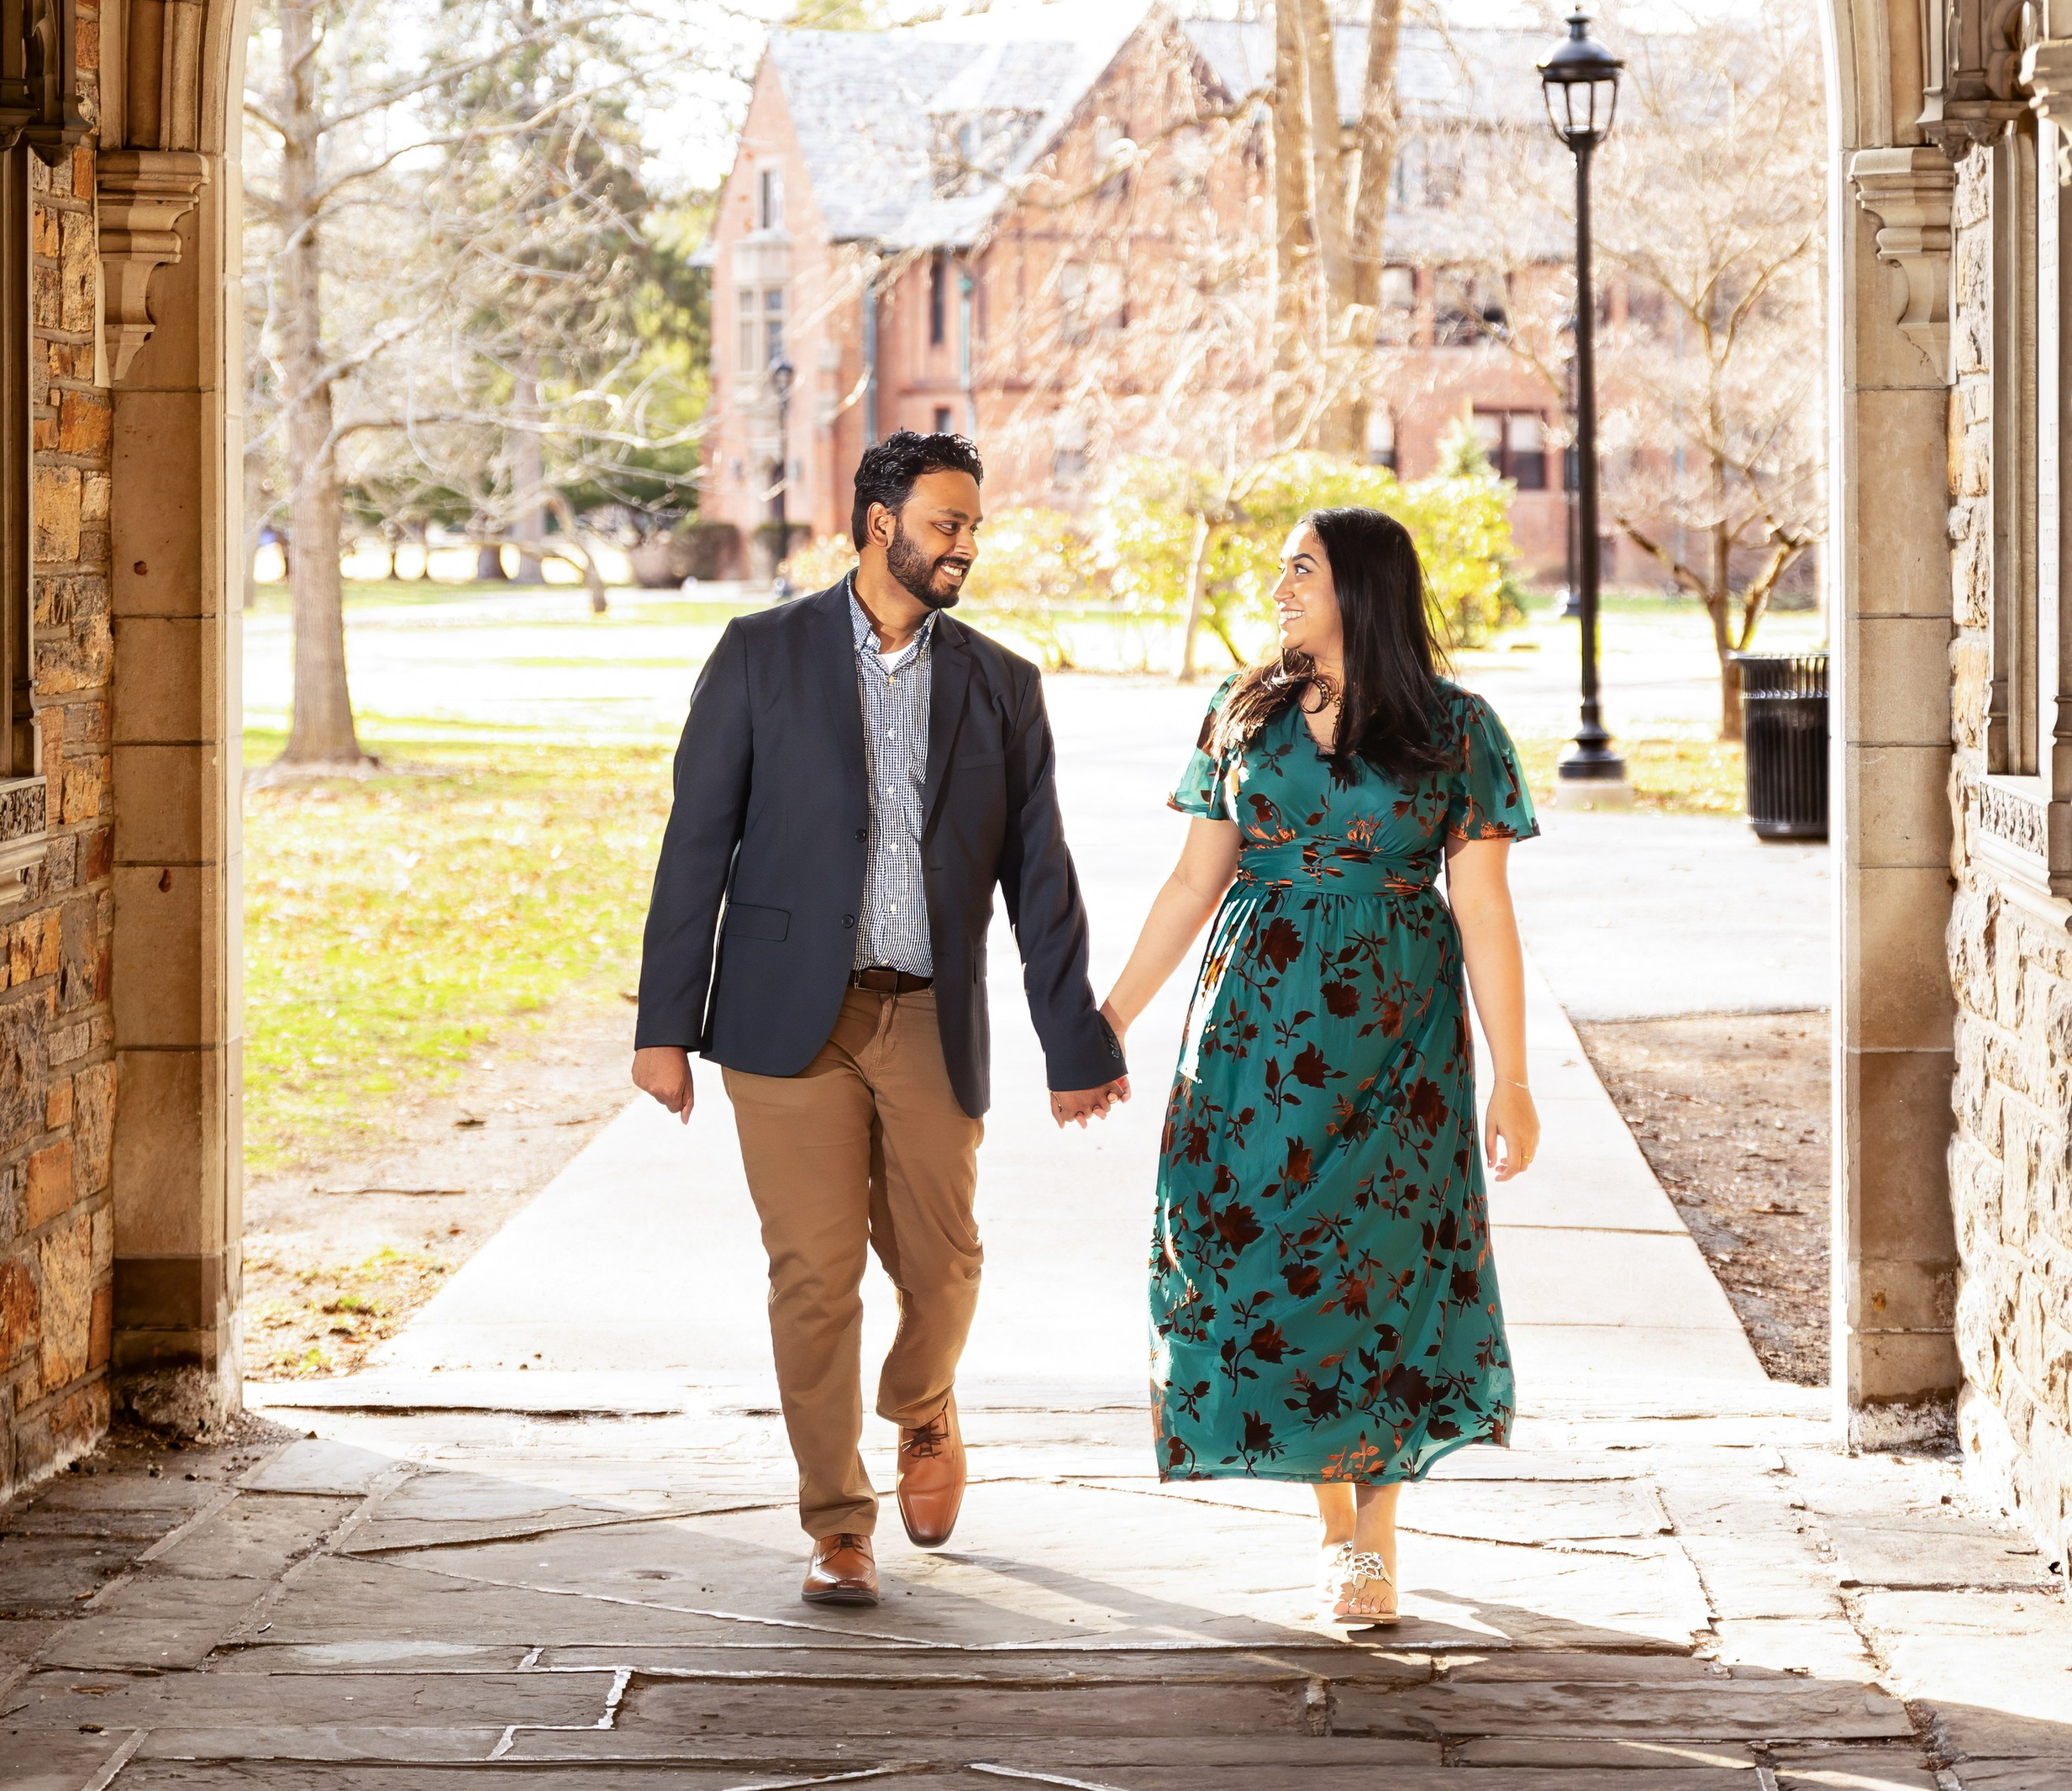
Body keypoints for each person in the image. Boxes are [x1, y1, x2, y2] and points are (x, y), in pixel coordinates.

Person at [631, 429, 1128, 1609]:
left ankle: (923, 1403)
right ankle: (837, 1523)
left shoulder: (1003, 685)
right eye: (948, 524)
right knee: (812, 1275)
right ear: (877, 526)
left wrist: (1075, 1040)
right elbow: (697, 842)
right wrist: (663, 1024)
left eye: (973, 527)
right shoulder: (760, 656)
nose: (966, 546)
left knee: (944, 1264)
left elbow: (1039, 876)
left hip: (928, 1014)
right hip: (781, 1020)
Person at [1099, 505, 1539, 1629]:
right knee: (1260, 1261)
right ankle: (1331, 1519)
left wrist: (1516, 1075)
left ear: (1362, 589)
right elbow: (1192, 884)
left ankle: (1369, 1536)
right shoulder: (1241, 714)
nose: (1278, 584)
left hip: (1399, 1042)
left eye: (1301, 568)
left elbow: (1483, 910)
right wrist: (1109, 1017)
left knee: (1384, 1272)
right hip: (1252, 1039)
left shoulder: (1458, 729)